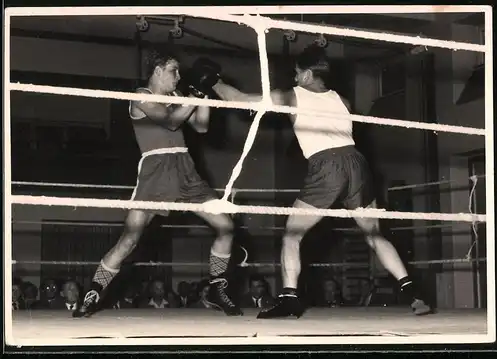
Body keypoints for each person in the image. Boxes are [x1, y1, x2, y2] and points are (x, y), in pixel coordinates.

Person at [210, 44, 432, 319]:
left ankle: (290, 298)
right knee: (374, 235)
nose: (293, 78)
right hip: (358, 164)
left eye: (296, 73)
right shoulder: (342, 100)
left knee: (292, 234)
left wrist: (214, 82)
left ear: (306, 75)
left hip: (327, 165)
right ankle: (413, 293)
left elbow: (243, 101)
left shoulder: (293, 96)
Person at [73, 50, 243, 318]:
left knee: (226, 226)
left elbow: (201, 127)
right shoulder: (141, 97)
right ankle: (94, 291)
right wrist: (193, 96)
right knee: (129, 240)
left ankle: (216, 288)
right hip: (156, 171)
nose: (178, 76)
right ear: (158, 71)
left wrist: (204, 94)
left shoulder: (178, 97)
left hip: (186, 170)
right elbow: (172, 122)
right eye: (174, 71)